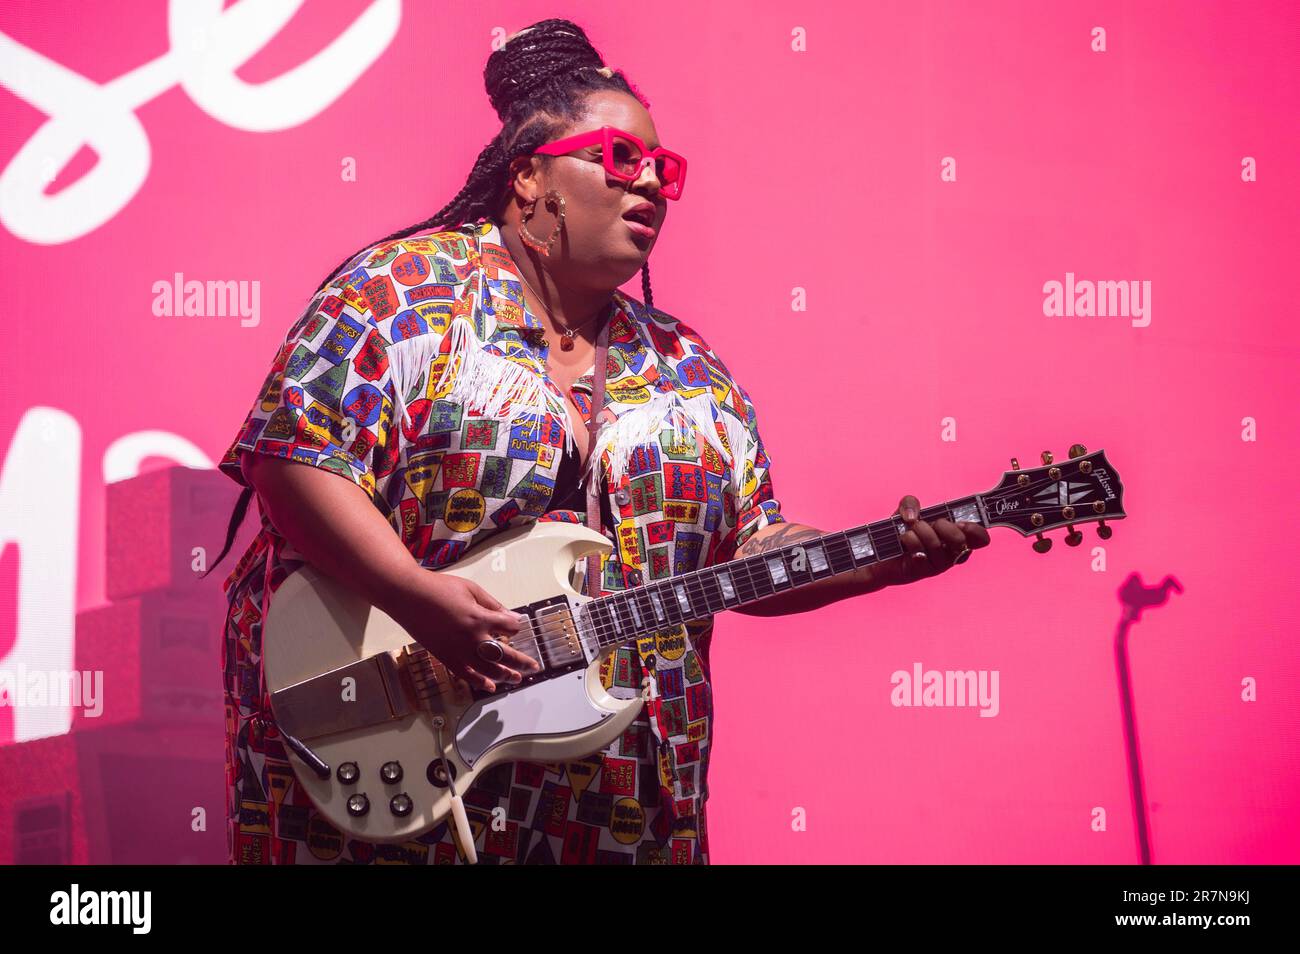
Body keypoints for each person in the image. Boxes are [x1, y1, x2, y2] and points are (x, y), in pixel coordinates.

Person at [206, 18, 990, 865]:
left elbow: (751, 549)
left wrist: (878, 560)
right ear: (528, 176)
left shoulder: (690, 371)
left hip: (620, 807)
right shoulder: (401, 294)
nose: (649, 180)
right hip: (391, 773)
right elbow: (293, 460)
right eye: (620, 158)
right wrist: (416, 598)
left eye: (665, 169)